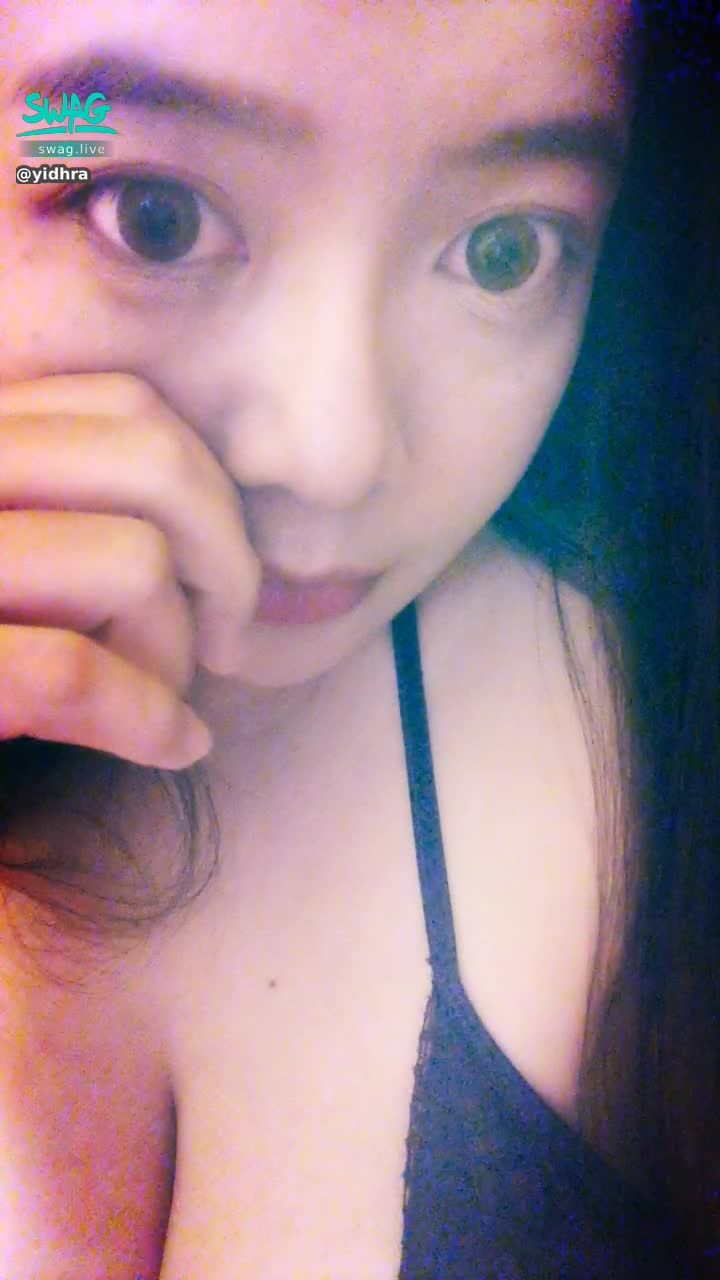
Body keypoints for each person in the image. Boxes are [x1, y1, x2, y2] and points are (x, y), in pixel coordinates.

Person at [0, 2, 716, 1276]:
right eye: (155, 214)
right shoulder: (56, 130)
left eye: (504, 252)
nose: (334, 451)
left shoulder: (637, 754)